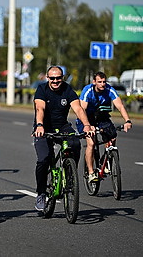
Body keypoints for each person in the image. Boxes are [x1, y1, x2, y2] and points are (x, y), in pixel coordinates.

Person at [33, 65, 94, 211]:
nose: (55, 81)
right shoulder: (42, 89)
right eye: (52, 78)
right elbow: (39, 108)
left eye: (58, 78)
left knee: (75, 142)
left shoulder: (67, 89)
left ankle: (70, 172)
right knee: (44, 159)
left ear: (62, 78)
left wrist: (87, 125)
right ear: (48, 78)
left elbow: (78, 108)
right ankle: (41, 193)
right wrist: (39, 125)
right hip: (44, 127)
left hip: (62, 126)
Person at [76, 71, 132, 182]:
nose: (102, 84)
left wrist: (127, 121)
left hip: (101, 116)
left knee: (112, 137)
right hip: (85, 117)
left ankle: (104, 162)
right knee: (91, 143)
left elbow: (120, 106)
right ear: (94, 82)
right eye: (99, 82)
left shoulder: (109, 90)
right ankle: (91, 173)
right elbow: (82, 109)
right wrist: (88, 125)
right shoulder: (88, 90)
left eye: (104, 82)